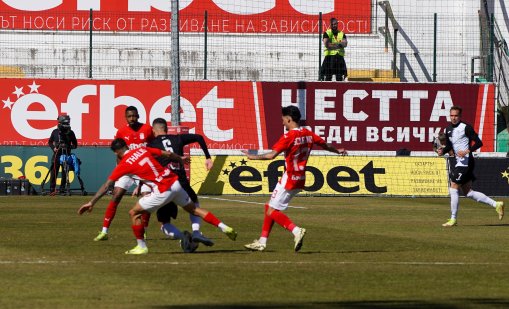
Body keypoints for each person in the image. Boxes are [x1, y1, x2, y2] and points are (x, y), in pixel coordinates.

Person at [78, 138, 237, 255]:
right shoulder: (142, 149)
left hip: (162, 189)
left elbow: (107, 185)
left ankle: (141, 246)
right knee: (195, 210)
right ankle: (224, 227)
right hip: (174, 183)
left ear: (116, 152)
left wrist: (91, 202)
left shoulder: (124, 163)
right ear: (126, 145)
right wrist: (180, 158)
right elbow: (167, 154)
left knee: (134, 213)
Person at [242, 106, 347, 252]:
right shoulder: (308, 133)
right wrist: (338, 150)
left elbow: (271, 155)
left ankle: (296, 231)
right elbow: (325, 145)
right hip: (300, 177)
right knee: (269, 206)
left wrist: (252, 157)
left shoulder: (288, 137)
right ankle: (262, 241)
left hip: (289, 177)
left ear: (289, 119)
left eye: (283, 120)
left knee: (272, 211)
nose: (282, 123)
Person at [148, 118, 214, 247]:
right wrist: (207, 157)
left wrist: (142, 184)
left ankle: (183, 236)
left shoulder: (151, 145)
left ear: (153, 131)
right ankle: (196, 232)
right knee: (194, 205)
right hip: (182, 183)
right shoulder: (177, 139)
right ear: (166, 129)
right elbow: (199, 137)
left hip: (166, 185)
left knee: (164, 222)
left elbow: (148, 166)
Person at [94, 106, 154, 241]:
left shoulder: (147, 129)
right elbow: (118, 152)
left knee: (146, 197)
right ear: (125, 117)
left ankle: (142, 230)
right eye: (129, 116)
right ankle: (104, 231)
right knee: (116, 195)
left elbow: (154, 147)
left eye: (134, 116)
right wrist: (119, 169)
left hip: (144, 169)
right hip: (127, 169)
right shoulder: (121, 131)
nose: (132, 118)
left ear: (138, 116)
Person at [438, 106, 504, 227]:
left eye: (456, 115)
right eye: (452, 115)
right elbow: (449, 146)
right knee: (468, 192)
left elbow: (479, 142)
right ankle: (496, 204)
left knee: (453, 187)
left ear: (460, 116)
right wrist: (443, 151)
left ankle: (453, 219)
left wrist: (467, 151)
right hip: (459, 161)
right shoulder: (447, 129)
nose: (453, 118)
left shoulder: (466, 127)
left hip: (466, 161)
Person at [47, 115, 78, 195]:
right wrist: (54, 148)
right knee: (54, 172)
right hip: (56, 154)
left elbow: (75, 145)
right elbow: (50, 142)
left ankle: (62, 189)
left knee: (65, 172)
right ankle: (52, 189)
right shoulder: (55, 132)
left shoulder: (70, 133)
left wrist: (68, 147)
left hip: (66, 154)